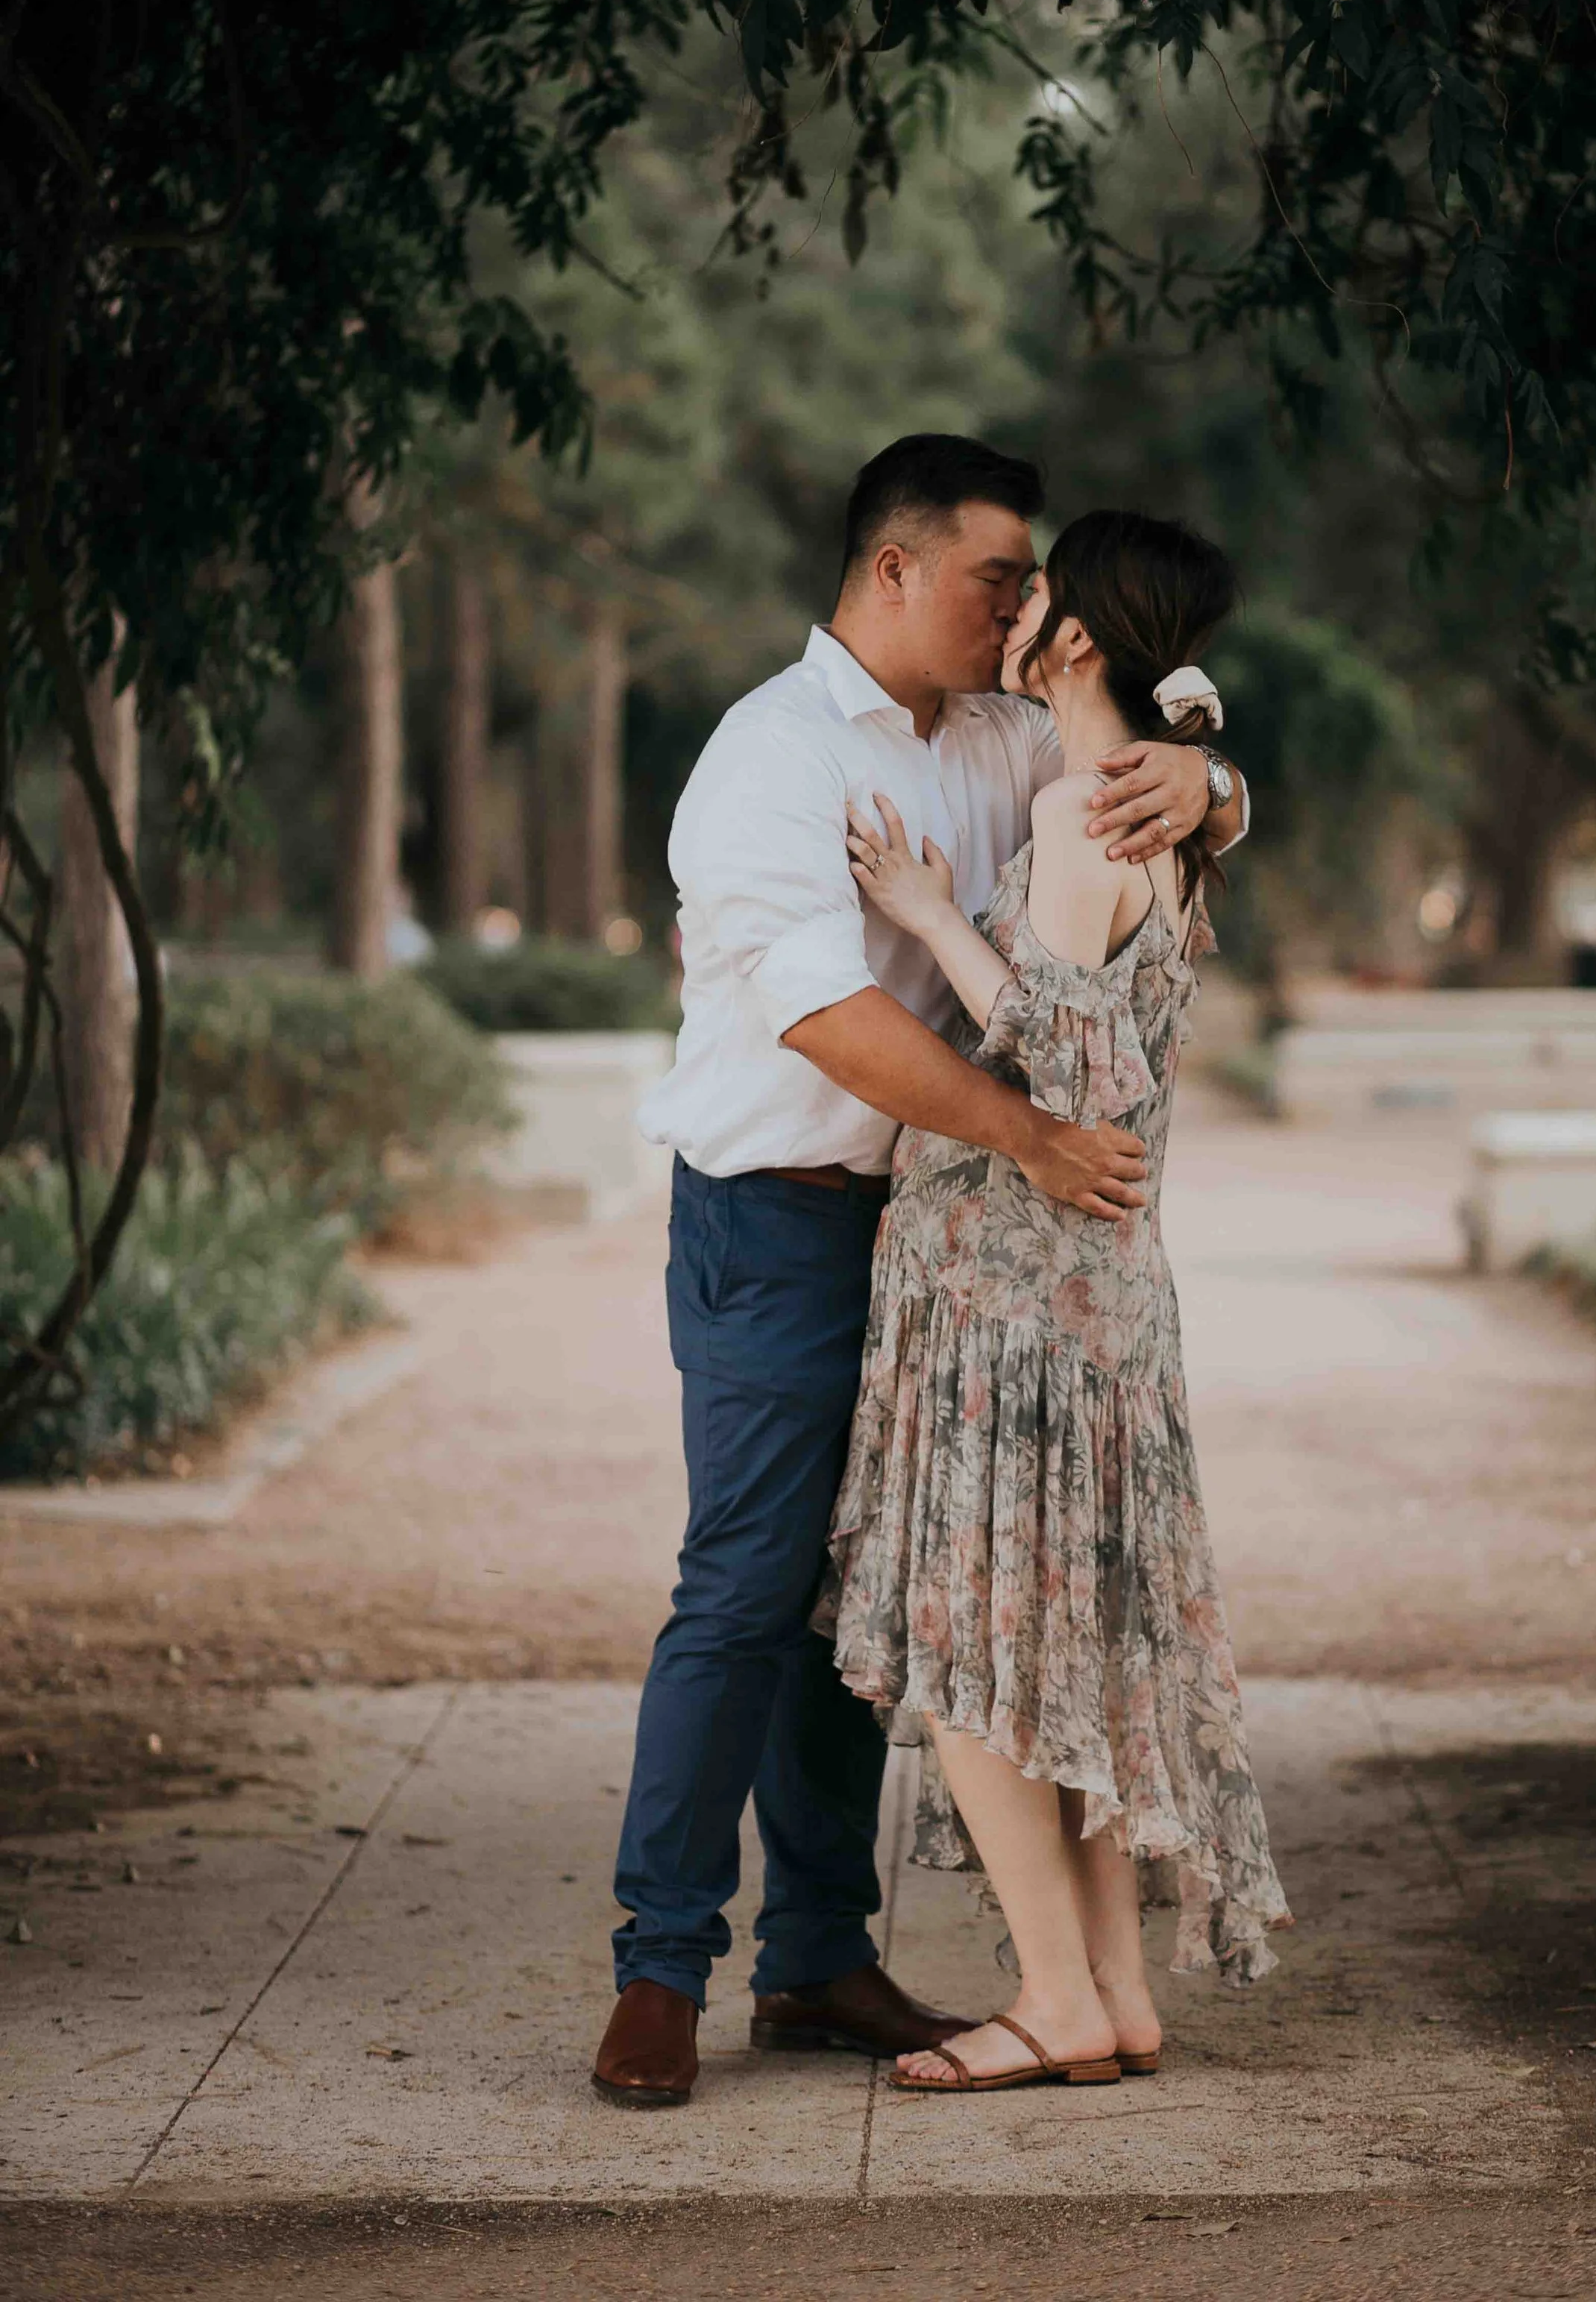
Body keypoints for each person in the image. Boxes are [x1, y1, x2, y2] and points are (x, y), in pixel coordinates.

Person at [592, 437, 1245, 2109]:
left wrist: (1218, 779)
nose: (1022, 605)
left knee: (859, 1612)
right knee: (744, 1592)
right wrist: (1027, 1137)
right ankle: (661, 1964)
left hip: (949, 1242)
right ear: (890, 568)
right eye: (994, 578)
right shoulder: (768, 755)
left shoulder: (1017, 728)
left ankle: (816, 1957)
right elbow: (826, 1012)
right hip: (782, 1214)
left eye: (1035, 586)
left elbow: (1137, 733)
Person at [822, 508, 1291, 2095]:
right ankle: (1108, 1994)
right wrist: (1214, 751)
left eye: (1036, 600)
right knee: (1062, 1656)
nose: (1012, 616)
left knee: (968, 1661)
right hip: (1082, 1298)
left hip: (1017, 1297)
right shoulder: (1153, 806)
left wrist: (924, 905)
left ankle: (1049, 1998)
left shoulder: (1091, 818)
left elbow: (1068, 1079)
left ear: (1076, 636)